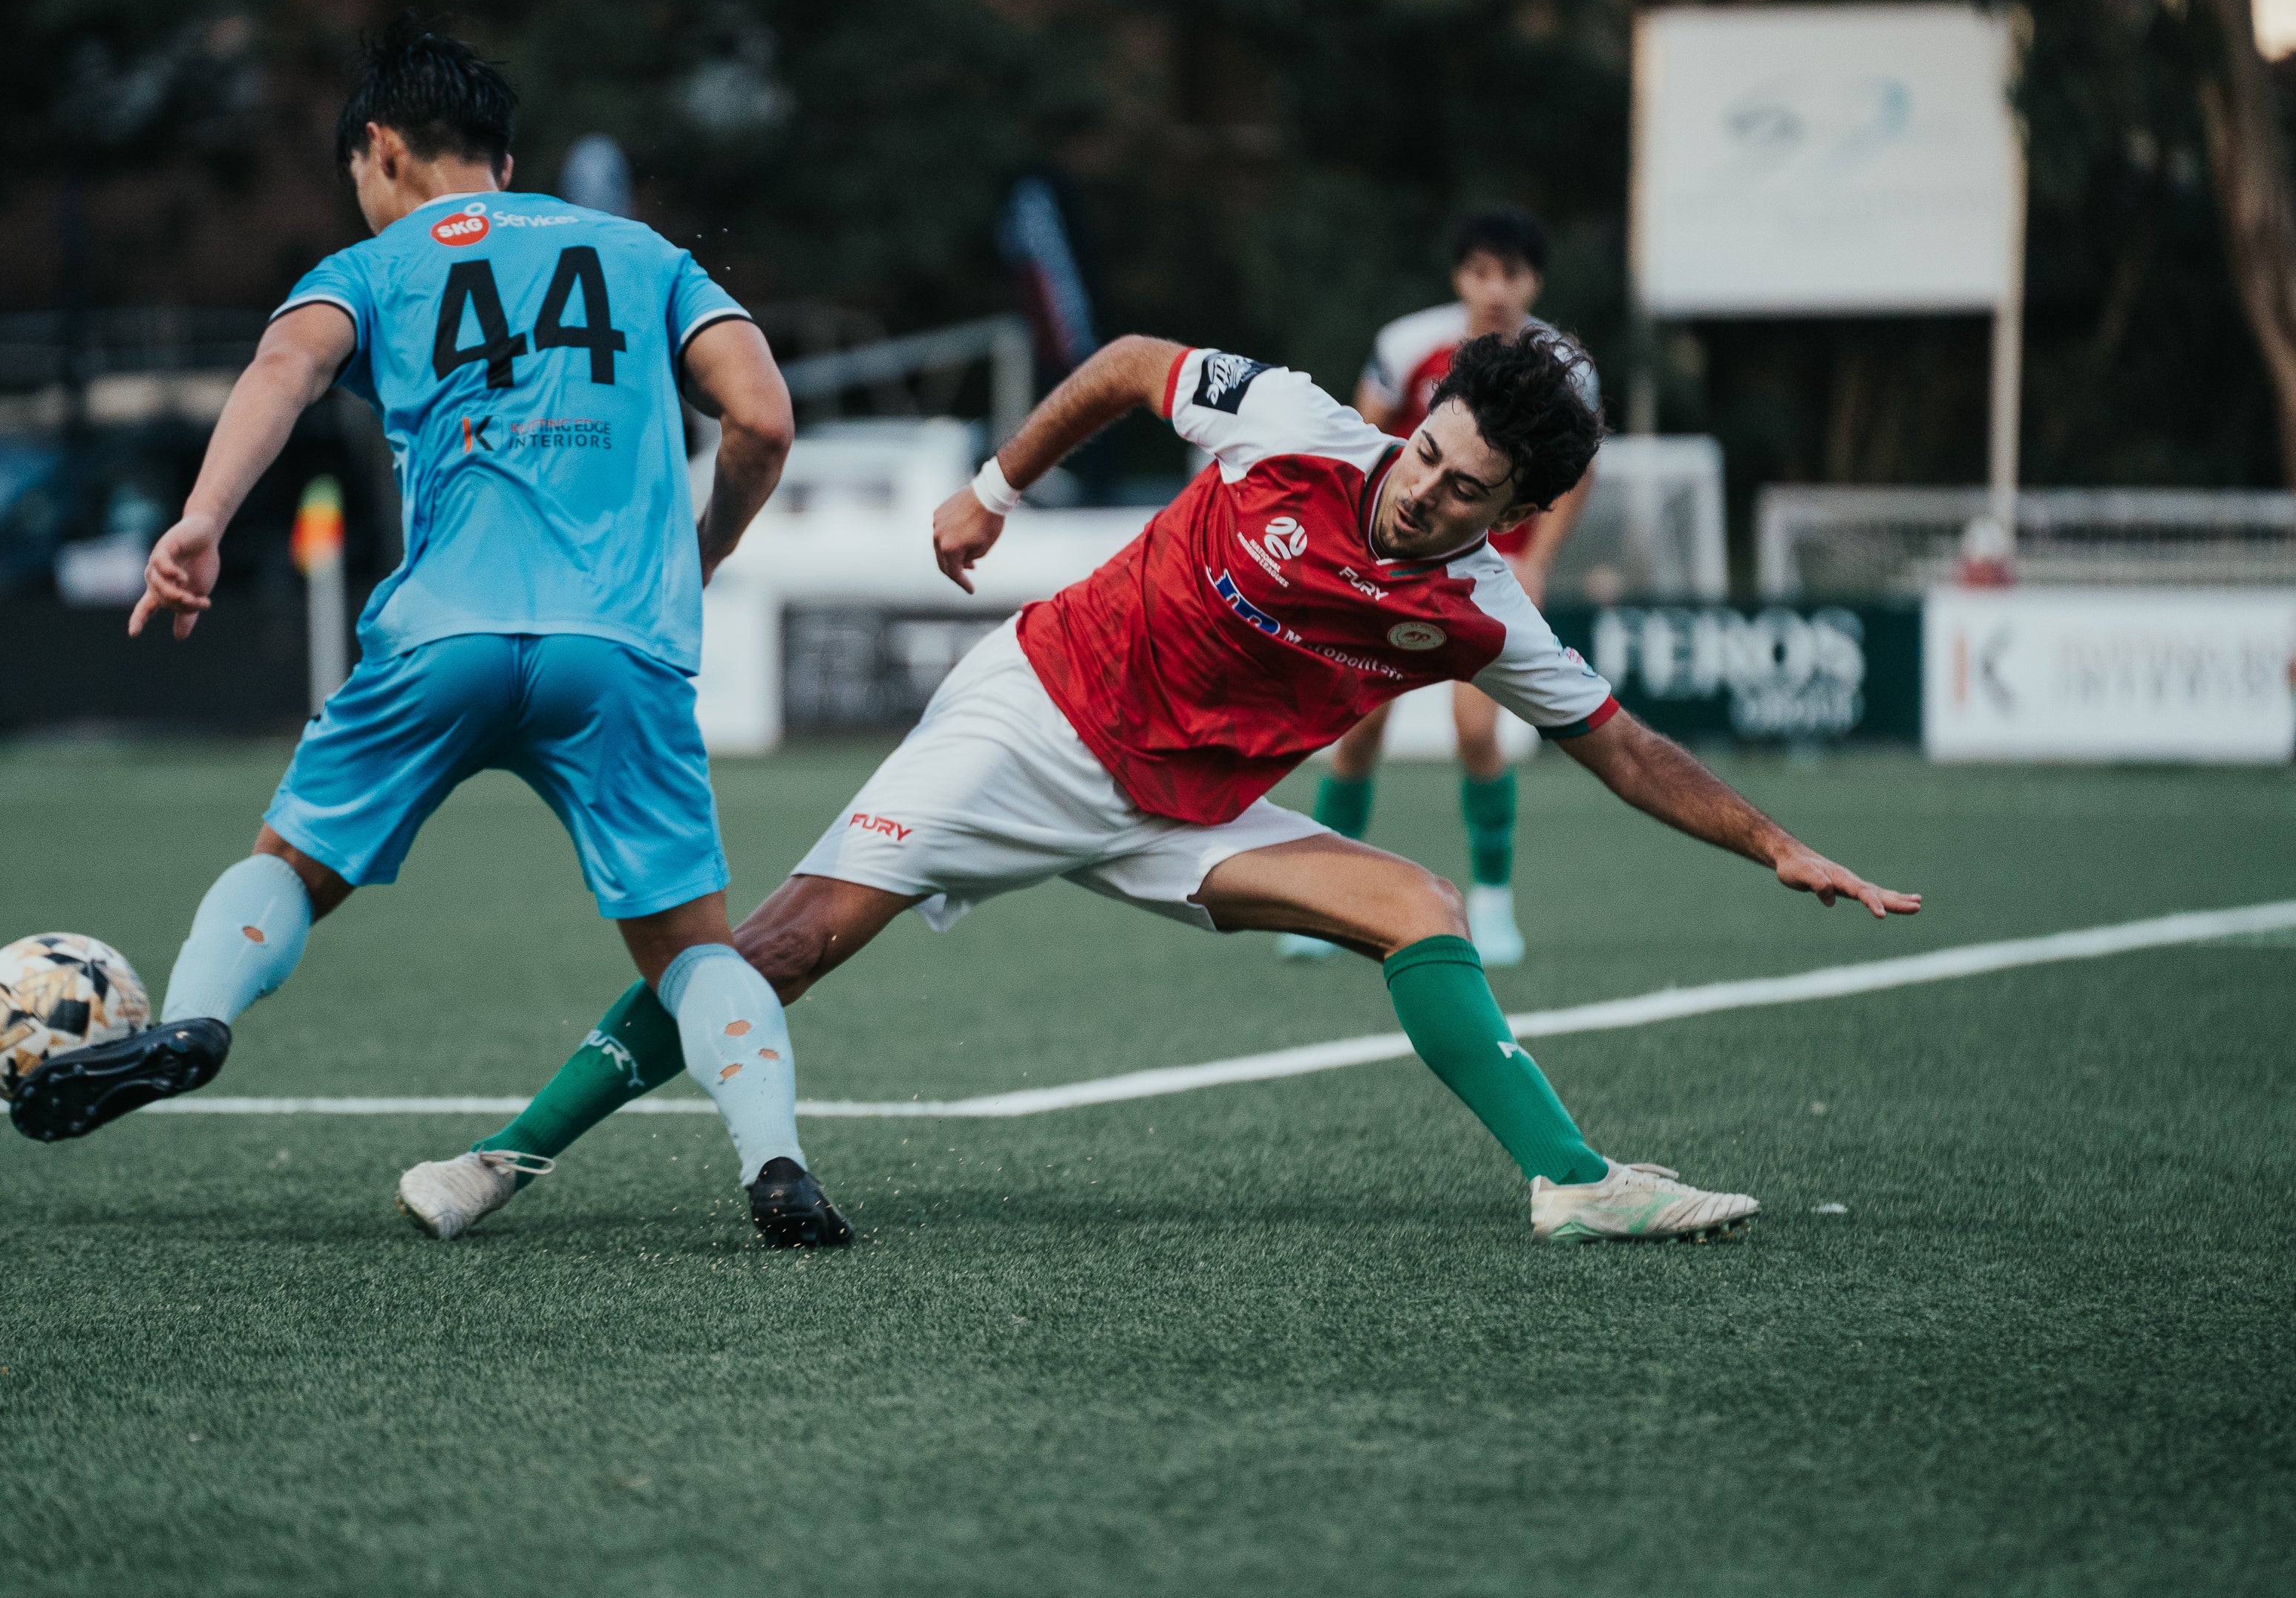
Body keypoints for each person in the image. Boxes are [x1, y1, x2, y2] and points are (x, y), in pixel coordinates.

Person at [403, 329, 1920, 1245]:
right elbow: (1133, 367)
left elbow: (1623, 743)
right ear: (1422, 414)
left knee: (1413, 903)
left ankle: (1572, 1181)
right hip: (1034, 719)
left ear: (1516, 513)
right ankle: (503, 1156)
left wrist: (1776, 843)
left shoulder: (1480, 614)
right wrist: (992, 490)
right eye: (1432, 451)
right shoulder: (1299, 426)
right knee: (785, 944)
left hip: (1181, 811)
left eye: (1467, 489)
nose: (1424, 487)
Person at [0, 16, 852, 1250]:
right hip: (616, 647)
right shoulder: (642, 253)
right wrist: (702, 548)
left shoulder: (378, 262)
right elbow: (764, 421)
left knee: (292, 865)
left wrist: (200, 520)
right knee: (687, 949)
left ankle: (191, 1021)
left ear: (382, 150)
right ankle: (775, 1164)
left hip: (439, 637)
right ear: (506, 161)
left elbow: (284, 369)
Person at [1283, 206, 1593, 966]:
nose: (1496, 287)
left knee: (1479, 731)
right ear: (1461, 276)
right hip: (1392, 569)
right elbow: (1360, 444)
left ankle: (1491, 904)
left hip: (1487, 580)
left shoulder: (1567, 369)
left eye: (1512, 273)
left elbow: (1578, 473)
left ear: (1534, 280)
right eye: (1481, 270)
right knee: (1356, 731)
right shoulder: (1406, 344)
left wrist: (1537, 561)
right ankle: (1327, 901)